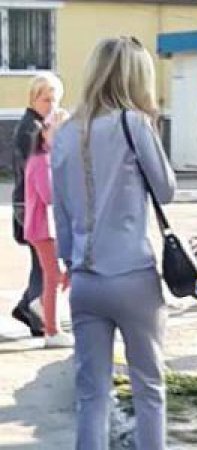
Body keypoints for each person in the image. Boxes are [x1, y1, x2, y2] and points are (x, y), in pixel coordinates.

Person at [51, 36, 176, 450]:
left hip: (85, 279)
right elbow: (166, 190)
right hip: (132, 275)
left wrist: (71, 263)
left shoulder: (66, 132)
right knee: (148, 387)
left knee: (92, 394)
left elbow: (61, 215)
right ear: (136, 78)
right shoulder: (134, 125)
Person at [11, 72, 64, 337]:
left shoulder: (38, 124)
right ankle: (37, 314)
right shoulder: (32, 129)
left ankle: (29, 307)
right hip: (30, 205)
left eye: (55, 100)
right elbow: (37, 173)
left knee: (42, 263)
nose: (51, 106)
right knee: (45, 264)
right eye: (46, 100)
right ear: (34, 98)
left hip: (30, 204)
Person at [24, 108, 73, 348]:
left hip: (48, 227)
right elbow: (49, 195)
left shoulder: (49, 157)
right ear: (45, 132)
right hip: (43, 228)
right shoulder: (42, 160)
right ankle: (52, 331)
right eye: (58, 132)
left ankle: (42, 304)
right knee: (54, 276)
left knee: (63, 274)